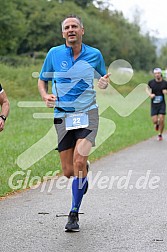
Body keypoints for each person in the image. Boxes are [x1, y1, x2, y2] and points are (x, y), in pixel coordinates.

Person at [38, 14, 110, 232]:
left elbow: (103, 80)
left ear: (82, 30)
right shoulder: (54, 54)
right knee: (69, 171)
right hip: (62, 116)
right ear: (63, 33)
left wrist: (104, 83)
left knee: (78, 161)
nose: (71, 30)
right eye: (67, 27)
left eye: (74, 26)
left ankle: (73, 213)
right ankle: (83, 172)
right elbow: (42, 80)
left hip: (88, 113)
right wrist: (45, 95)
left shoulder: (94, 54)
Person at [146, 68, 167, 141]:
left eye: (158, 73)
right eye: (155, 73)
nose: (157, 75)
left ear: (161, 74)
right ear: (154, 75)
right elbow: (146, 89)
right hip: (154, 104)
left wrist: (165, 92)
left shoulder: (165, 83)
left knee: (161, 119)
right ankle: (157, 124)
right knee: (155, 121)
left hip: (162, 104)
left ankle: (160, 134)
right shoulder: (151, 82)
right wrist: (150, 95)